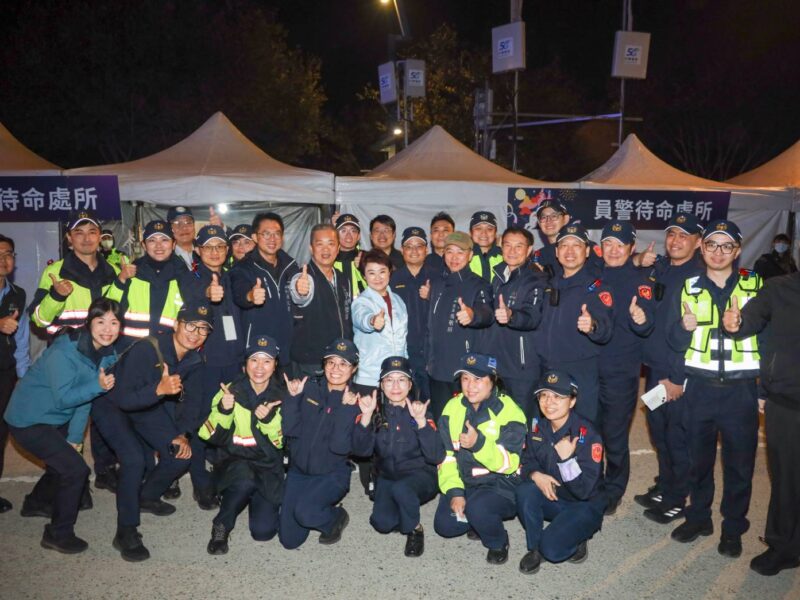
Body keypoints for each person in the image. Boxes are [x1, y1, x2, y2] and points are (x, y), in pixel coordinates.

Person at [666, 219, 761, 558]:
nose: (718, 252)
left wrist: (765, 391)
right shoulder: (688, 286)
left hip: (741, 391)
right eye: (711, 245)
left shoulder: (755, 285)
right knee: (698, 462)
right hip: (700, 390)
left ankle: (733, 528)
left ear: (737, 250)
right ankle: (699, 517)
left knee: (740, 466)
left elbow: (770, 337)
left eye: (726, 246)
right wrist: (683, 326)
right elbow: (673, 341)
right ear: (702, 249)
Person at [91, 301, 210, 561]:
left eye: (203, 329)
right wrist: (159, 390)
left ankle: (146, 497)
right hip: (113, 405)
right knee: (133, 460)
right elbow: (124, 399)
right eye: (190, 325)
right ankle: (126, 531)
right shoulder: (148, 349)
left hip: (147, 405)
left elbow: (194, 404)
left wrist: (183, 434)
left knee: (180, 454)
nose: (196, 333)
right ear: (177, 324)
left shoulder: (194, 360)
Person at [4, 298, 120, 553]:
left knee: (65, 461)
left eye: (114, 323)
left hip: (55, 417)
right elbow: (65, 398)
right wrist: (97, 386)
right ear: (89, 323)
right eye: (100, 321)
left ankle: (36, 503)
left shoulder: (105, 353)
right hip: (28, 419)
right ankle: (58, 534)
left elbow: (85, 401)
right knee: (76, 471)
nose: (107, 329)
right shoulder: (64, 352)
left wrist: (75, 438)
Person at [28, 209, 120, 493]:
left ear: (100, 237)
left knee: (103, 415)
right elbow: (38, 320)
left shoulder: (112, 271)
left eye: (92, 232)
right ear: (69, 238)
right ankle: (63, 484)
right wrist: (57, 296)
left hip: (101, 356)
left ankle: (105, 470)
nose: (86, 238)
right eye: (78, 233)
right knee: (66, 421)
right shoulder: (55, 272)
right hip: (67, 359)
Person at [723, 268, 800, 576]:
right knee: (786, 481)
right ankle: (785, 547)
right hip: (787, 404)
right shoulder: (778, 288)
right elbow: (750, 319)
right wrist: (736, 323)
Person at [636, 213, 705, 524]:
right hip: (654, 367)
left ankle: (677, 498)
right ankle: (665, 485)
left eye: (684, 236)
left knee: (677, 438)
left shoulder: (698, 278)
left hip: (677, 373)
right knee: (659, 434)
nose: (676, 241)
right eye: (672, 234)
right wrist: (640, 261)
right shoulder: (662, 268)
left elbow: (695, 334)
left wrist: (678, 377)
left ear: (698, 242)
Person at [433, 352, 526, 565]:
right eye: (465, 378)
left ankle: (498, 541)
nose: (470, 386)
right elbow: (446, 457)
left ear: (492, 381)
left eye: (478, 379)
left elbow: (510, 464)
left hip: (500, 484)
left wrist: (479, 445)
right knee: (445, 526)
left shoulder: (510, 411)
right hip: (466, 482)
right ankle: (478, 520)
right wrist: (456, 492)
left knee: (478, 509)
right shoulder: (452, 407)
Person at [199, 334, 286, 555]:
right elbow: (207, 434)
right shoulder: (229, 391)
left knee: (263, 533)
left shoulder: (282, 395)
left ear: (275, 365)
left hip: (267, 466)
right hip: (235, 462)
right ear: (245, 364)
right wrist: (224, 409)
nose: (259, 367)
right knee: (244, 480)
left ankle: (251, 497)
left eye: (267, 361)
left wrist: (269, 420)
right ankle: (221, 525)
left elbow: (282, 443)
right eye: (253, 360)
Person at [352, 356, 445, 557]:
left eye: (401, 380)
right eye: (389, 380)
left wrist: (421, 422)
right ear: (381, 385)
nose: (395, 386)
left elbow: (437, 456)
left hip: (420, 476)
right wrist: (366, 417)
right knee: (381, 523)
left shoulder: (420, 411)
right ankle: (402, 506)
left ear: (410, 384)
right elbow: (360, 451)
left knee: (403, 491)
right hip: (388, 476)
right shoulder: (373, 411)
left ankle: (415, 529)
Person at [515, 370, 605, 574]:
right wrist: (535, 475)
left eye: (558, 396)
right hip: (555, 496)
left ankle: (579, 535)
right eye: (544, 395)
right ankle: (535, 548)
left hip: (583, 505)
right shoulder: (538, 428)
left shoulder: (587, 435)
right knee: (524, 491)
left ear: (572, 401)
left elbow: (585, 491)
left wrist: (567, 460)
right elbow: (526, 462)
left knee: (553, 551)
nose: (549, 402)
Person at [183, 224, 245, 510]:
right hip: (205, 364)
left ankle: (224, 475)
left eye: (220, 246)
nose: (215, 252)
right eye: (208, 247)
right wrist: (208, 293)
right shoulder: (191, 279)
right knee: (201, 422)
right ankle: (201, 482)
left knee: (228, 420)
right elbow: (190, 307)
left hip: (233, 362)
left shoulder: (231, 277)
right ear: (198, 250)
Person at [596, 221, 655, 515]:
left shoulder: (641, 281)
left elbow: (648, 324)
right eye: (608, 243)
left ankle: (613, 490)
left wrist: (640, 319)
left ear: (631, 248)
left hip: (620, 372)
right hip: (588, 369)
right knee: (588, 432)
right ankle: (591, 483)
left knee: (615, 436)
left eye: (620, 245)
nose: (614, 250)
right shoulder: (591, 274)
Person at [279, 338, 361, 549]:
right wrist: (292, 399)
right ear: (323, 365)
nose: (335, 369)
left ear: (354, 369)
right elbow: (290, 431)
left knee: (306, 514)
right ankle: (310, 502)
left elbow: (340, 447)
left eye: (343, 364)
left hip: (331, 474)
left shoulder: (356, 400)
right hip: (299, 471)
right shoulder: (308, 388)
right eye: (331, 362)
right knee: (289, 540)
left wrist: (346, 410)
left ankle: (336, 517)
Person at [534, 223, 613, 423]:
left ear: (587, 251)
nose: (569, 251)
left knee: (582, 425)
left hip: (579, 370)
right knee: (550, 424)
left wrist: (592, 326)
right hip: (548, 367)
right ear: (556, 252)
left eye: (576, 245)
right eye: (564, 246)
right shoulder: (549, 284)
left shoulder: (596, 287)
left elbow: (605, 329)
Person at [425, 231, 493, 420]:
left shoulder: (479, 285)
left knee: (466, 424)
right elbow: (430, 326)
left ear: (470, 255)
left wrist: (473, 315)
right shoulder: (437, 283)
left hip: (465, 372)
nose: (454, 257)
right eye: (449, 251)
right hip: (437, 369)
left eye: (460, 252)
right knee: (441, 422)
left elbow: (487, 313)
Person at [486, 226, 546, 420]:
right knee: (497, 420)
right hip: (496, 363)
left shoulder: (536, 278)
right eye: (507, 245)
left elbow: (532, 316)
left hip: (522, 367)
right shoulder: (497, 275)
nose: (512, 251)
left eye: (518, 246)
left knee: (521, 420)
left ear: (529, 250)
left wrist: (511, 315)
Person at [230, 212, 301, 368]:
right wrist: (250, 296)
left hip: (287, 351)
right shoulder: (243, 267)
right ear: (255, 237)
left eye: (277, 234)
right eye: (266, 234)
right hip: (258, 352)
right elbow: (238, 293)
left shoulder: (291, 266)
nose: (272, 239)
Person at [107, 219, 193, 346]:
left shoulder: (184, 276)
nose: (159, 246)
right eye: (152, 240)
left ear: (174, 244)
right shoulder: (131, 274)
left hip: (167, 349)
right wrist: (121, 280)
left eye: (164, 240)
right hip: (130, 349)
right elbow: (109, 309)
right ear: (143, 245)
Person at [289, 224, 353, 378]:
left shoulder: (343, 278)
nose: (326, 250)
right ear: (311, 248)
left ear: (338, 248)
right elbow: (299, 295)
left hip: (341, 359)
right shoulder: (303, 277)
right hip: (312, 363)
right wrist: (300, 290)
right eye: (320, 244)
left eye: (331, 244)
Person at [0, 234, 31, 513]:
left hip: (5, 373)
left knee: (1, 432)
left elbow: (21, 338)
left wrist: (24, 375)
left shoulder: (17, 294)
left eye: (8, 254)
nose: (3, 259)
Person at [351, 249, 408, 393]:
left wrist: (406, 366)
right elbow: (361, 317)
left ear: (390, 272)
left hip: (396, 376)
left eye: (382, 271)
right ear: (364, 276)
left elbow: (404, 339)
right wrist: (372, 321)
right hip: (369, 377)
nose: (377, 278)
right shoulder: (361, 301)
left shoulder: (399, 301)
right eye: (371, 273)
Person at [391, 227, 437, 401]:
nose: (414, 251)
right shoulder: (393, 279)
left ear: (426, 250)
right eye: (409, 246)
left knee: (430, 401)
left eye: (419, 246)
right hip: (403, 350)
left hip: (432, 351)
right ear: (402, 250)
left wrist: (433, 296)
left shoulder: (438, 277)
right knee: (404, 400)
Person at [532, 200, 604, 276]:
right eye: (543, 217)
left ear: (566, 219)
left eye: (554, 216)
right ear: (539, 222)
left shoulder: (587, 247)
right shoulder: (540, 255)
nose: (548, 220)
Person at [333, 213, 367, 299]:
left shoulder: (368, 258)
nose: (348, 236)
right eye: (343, 231)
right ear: (335, 234)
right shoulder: (328, 260)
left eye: (353, 231)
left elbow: (378, 290)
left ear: (359, 236)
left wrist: (363, 268)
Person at [468, 211, 503, 282]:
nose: (484, 233)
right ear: (470, 233)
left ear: (495, 233)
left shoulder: (505, 256)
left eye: (489, 229)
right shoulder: (463, 256)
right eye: (478, 228)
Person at [168, 206, 197, 270]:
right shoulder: (165, 256)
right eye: (177, 223)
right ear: (169, 228)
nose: (184, 228)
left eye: (188, 223)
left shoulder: (204, 249)